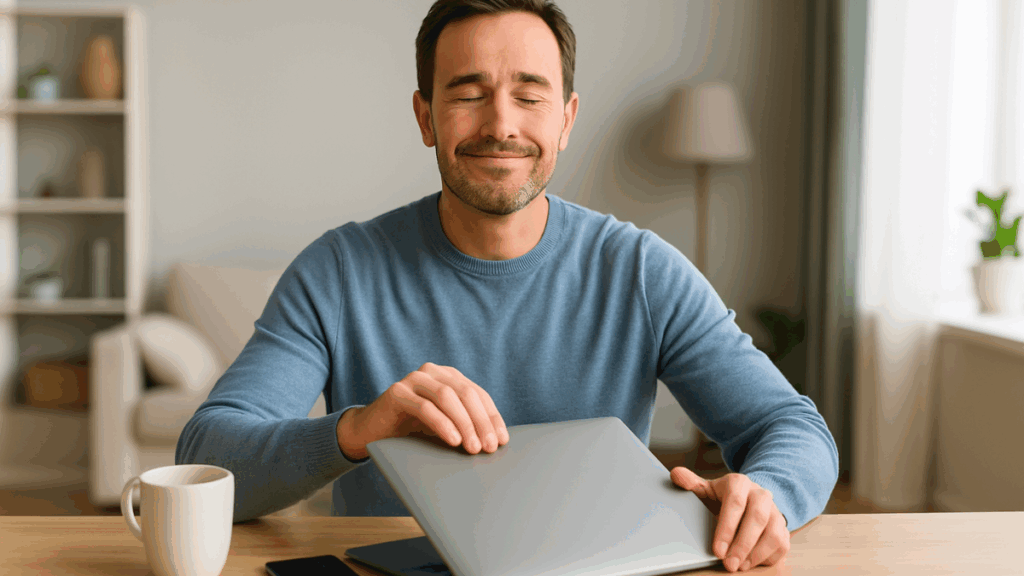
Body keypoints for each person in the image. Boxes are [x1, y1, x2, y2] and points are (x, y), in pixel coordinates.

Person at [176, 0, 838, 572]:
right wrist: (356, 430)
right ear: (426, 116)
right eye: (467, 92)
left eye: (529, 95)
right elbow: (208, 454)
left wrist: (769, 495)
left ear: (566, 119)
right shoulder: (338, 270)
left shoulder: (640, 270)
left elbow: (791, 427)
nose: (501, 124)